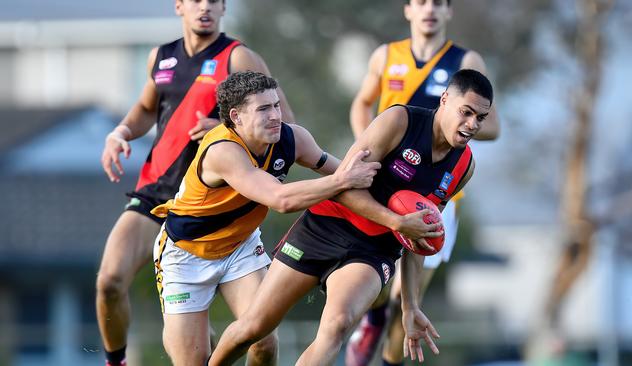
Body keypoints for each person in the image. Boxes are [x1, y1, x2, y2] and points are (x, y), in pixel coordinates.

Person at [210, 69, 494, 366]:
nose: (472, 124)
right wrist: (395, 221)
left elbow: (422, 234)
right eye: (467, 112)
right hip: (325, 226)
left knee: (338, 325)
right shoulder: (399, 121)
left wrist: (410, 306)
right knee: (254, 328)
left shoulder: (463, 166)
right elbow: (343, 185)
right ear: (445, 100)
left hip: (374, 251)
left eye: (481, 118)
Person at [96, 1, 295, 365]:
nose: (204, 7)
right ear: (179, 7)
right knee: (109, 281)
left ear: (223, 9)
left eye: (213, 1)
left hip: (214, 204)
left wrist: (227, 131)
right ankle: (116, 361)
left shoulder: (238, 57)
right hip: (158, 191)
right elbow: (144, 108)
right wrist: (120, 132)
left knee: (261, 343)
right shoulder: (161, 56)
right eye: (195, 0)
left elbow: (283, 124)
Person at [151, 70, 381, 365]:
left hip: (240, 247)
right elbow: (281, 200)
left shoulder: (293, 138)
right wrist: (343, 181)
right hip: (186, 255)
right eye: (263, 109)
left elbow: (346, 173)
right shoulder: (223, 150)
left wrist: (398, 204)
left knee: (264, 343)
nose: (275, 115)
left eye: (276, 105)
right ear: (237, 116)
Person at [347, 1, 500, 364]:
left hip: (434, 196)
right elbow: (362, 104)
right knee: (380, 288)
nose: (429, 9)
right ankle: (374, 315)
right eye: (421, 2)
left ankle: (389, 359)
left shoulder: (467, 61)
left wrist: (459, 124)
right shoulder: (386, 56)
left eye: (438, 3)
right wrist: (367, 149)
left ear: (449, 12)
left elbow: (493, 126)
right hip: (386, 189)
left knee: (410, 297)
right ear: (407, 10)